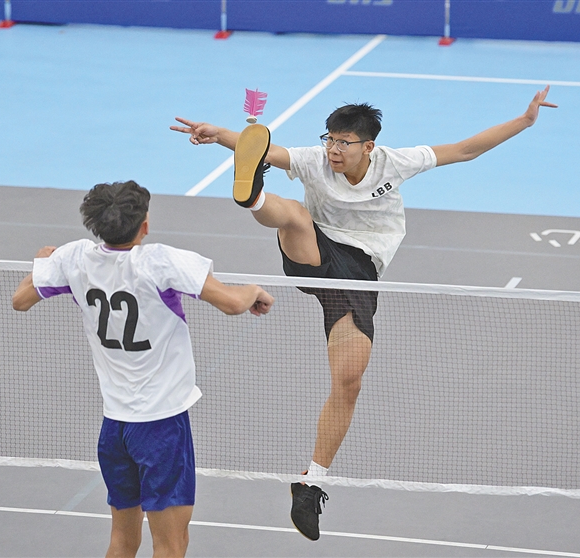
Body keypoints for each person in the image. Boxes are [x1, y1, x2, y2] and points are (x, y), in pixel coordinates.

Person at [170, 86, 556, 540]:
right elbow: (266, 148)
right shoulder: (315, 160)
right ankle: (252, 196)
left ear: (368, 146)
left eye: (343, 142)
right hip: (315, 251)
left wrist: (524, 120)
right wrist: (219, 135)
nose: (333, 150)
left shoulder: (396, 162)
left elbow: (465, 149)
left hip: (358, 276)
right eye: (329, 139)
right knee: (294, 214)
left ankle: (310, 483)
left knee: (349, 380)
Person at [12, 180, 274, 558]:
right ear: (145, 226)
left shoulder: (75, 259)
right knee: (171, 544)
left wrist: (42, 263)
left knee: (122, 541)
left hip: (115, 427)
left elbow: (20, 300)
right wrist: (254, 290)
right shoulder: (159, 262)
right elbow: (233, 303)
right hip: (161, 427)